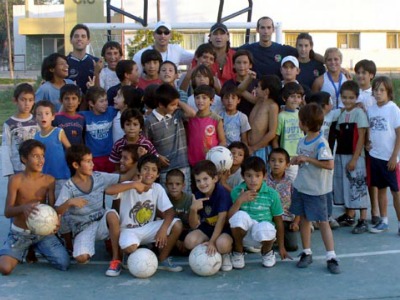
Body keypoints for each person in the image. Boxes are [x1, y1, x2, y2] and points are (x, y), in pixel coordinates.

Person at [55, 144, 135, 276]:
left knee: (112, 215)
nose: (92, 164)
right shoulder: (69, 187)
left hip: (102, 222)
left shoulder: (98, 177)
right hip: (83, 228)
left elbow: (124, 178)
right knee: (81, 258)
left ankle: (116, 259)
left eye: (91, 160)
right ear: (76, 165)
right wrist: (69, 202)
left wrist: (140, 160)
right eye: (87, 161)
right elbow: (57, 210)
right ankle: (84, 246)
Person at [0, 140, 70, 275]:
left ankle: (36, 247)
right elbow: (8, 212)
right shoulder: (15, 180)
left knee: (64, 263)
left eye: (42, 156)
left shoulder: (49, 180)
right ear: (24, 159)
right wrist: (23, 208)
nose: (40, 160)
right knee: (5, 268)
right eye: (35, 156)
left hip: (42, 234)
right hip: (20, 233)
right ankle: (20, 248)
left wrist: (56, 220)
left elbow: (52, 208)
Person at [104, 154, 184, 272]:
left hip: (148, 228)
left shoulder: (157, 188)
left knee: (177, 224)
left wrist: (163, 229)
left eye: (154, 170)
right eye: (145, 168)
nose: (149, 172)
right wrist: (133, 184)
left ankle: (163, 258)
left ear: (157, 175)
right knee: (130, 247)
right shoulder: (129, 185)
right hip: (129, 230)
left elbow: (170, 212)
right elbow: (108, 190)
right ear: (139, 171)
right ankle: (125, 256)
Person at [290, 103, 340, 274]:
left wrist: (308, 159)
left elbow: (329, 164)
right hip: (302, 187)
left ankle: (331, 256)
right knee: (304, 219)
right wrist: (296, 159)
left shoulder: (321, 143)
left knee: (323, 222)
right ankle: (307, 252)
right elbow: (304, 160)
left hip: (317, 191)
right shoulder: (302, 140)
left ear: (304, 123)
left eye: (300, 120)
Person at [229, 156, 290, 269]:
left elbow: (279, 221)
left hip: (263, 235)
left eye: (257, 176)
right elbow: (230, 218)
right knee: (239, 217)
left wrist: (281, 247)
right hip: (243, 235)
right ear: (243, 176)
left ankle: (267, 252)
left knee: (266, 227)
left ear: (264, 176)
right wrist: (240, 200)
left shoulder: (272, 194)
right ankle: (238, 252)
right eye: (249, 176)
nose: (253, 180)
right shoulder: (237, 191)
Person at [144, 84, 195, 192]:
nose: (176, 107)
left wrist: (176, 101)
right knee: (167, 200)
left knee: (186, 197)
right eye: (173, 105)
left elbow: (192, 113)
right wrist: (157, 156)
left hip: (183, 164)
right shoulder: (149, 121)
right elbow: (145, 145)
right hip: (165, 170)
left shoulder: (176, 113)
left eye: (177, 104)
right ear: (161, 105)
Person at [333, 81, 369, 233]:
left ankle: (363, 220)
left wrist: (355, 158)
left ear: (356, 98)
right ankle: (349, 216)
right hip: (341, 155)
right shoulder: (341, 114)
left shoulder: (359, 113)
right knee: (345, 186)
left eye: (351, 98)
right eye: (345, 97)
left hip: (355, 156)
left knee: (358, 186)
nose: (347, 101)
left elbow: (361, 137)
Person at [184, 160, 233, 272]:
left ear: (215, 179)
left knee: (222, 244)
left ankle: (226, 253)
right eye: (198, 181)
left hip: (224, 229)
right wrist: (193, 209)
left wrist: (212, 241)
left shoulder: (222, 193)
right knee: (189, 241)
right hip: (208, 227)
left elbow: (221, 220)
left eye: (205, 179)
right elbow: (194, 225)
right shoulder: (197, 195)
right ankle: (206, 254)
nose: (202, 183)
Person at [367, 76, 400, 234]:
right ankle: (383, 220)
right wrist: (368, 142)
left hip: (390, 159)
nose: (378, 93)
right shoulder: (371, 109)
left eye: (382, 90)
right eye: (376, 90)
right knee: (380, 189)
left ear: (388, 92)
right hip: (375, 156)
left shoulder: (393, 109)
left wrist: (394, 156)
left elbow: (399, 134)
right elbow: (371, 130)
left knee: (396, 192)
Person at [354, 59, 379, 225]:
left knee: (373, 179)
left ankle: (375, 211)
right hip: (355, 141)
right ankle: (355, 212)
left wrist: (369, 140)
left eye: (364, 73)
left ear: (371, 75)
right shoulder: (353, 93)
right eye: (359, 72)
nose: (361, 75)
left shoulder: (373, 96)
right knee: (359, 177)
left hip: (370, 142)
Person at [34, 101, 71, 198]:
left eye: (47, 113)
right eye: (39, 114)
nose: (43, 117)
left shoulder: (58, 132)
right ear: (35, 118)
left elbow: (70, 149)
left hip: (61, 175)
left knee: (61, 202)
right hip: (44, 176)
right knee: (47, 205)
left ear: (53, 117)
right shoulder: (36, 136)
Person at [1, 83, 39, 177]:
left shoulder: (37, 121)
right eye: (23, 100)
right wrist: (9, 172)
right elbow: (6, 149)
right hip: (18, 170)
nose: (27, 104)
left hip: (37, 167)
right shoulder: (9, 124)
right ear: (15, 100)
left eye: (30, 100)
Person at [266, 148, 299, 251]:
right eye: (273, 160)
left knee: (292, 246)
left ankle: (277, 239)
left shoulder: (291, 182)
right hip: (267, 218)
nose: (276, 164)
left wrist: (296, 222)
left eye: (281, 161)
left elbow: (298, 203)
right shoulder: (263, 180)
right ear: (268, 162)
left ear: (287, 164)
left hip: (286, 219)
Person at [79, 87, 117, 173]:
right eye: (101, 101)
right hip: (93, 158)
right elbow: (67, 116)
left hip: (110, 156)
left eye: (106, 100)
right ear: (91, 103)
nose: (105, 103)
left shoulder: (110, 111)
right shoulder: (84, 116)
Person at [187, 85, 226, 167]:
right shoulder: (190, 118)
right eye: (197, 97)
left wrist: (215, 154)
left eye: (204, 98)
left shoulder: (216, 119)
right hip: (192, 161)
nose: (200, 100)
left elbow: (222, 141)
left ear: (211, 100)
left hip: (210, 162)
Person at [272, 82, 304, 181]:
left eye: (298, 97)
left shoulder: (301, 114)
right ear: (285, 98)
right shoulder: (281, 116)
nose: (296, 99)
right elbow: (275, 139)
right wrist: (281, 157)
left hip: (301, 156)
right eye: (292, 96)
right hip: (288, 159)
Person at [246, 75, 280, 161]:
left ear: (266, 91)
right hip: (249, 148)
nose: (255, 89)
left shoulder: (272, 106)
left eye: (258, 87)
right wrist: (249, 78)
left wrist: (254, 148)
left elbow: (272, 132)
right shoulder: (258, 101)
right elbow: (239, 90)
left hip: (261, 150)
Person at [223, 49, 258, 117]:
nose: (241, 66)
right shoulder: (228, 84)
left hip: (253, 120)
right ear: (233, 65)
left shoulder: (258, 84)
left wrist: (240, 90)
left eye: (245, 63)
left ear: (250, 65)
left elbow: (259, 102)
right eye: (238, 62)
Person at [165, 168, 193, 255]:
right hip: (170, 235)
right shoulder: (163, 199)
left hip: (187, 234)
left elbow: (194, 225)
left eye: (178, 184)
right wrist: (176, 241)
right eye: (170, 184)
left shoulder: (190, 199)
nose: (174, 187)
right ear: (166, 185)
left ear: (183, 185)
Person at [67, 24, 99, 95]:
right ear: (70, 40)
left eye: (83, 36)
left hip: (91, 104)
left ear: (88, 41)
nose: (79, 39)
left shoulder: (96, 62)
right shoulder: (64, 62)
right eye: (76, 36)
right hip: (70, 103)